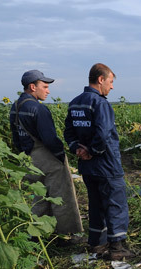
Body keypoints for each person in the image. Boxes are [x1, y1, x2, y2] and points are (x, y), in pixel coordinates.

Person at [64, 63, 134, 260]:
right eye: (110, 82)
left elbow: (68, 131)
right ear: (101, 79)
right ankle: (117, 248)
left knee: (95, 203)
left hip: (87, 167)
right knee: (115, 203)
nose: (111, 87)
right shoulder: (100, 103)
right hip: (107, 164)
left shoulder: (76, 103)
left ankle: (97, 243)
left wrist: (77, 148)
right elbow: (103, 134)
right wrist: (93, 151)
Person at [9, 70, 83, 239]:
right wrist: (61, 157)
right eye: (45, 87)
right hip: (47, 158)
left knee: (39, 197)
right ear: (32, 87)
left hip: (28, 158)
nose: (48, 91)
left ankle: (38, 235)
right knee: (61, 197)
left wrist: (23, 154)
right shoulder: (38, 109)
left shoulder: (16, 107)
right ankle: (66, 235)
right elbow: (50, 139)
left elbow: (15, 136)